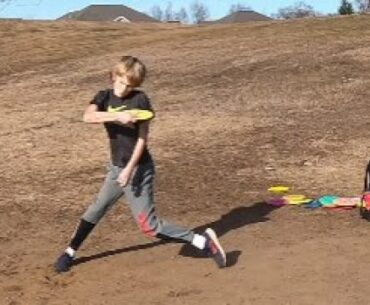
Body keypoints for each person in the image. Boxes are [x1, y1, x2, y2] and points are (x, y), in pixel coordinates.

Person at [55, 56, 227, 273]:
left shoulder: (140, 100)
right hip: (116, 168)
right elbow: (87, 117)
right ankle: (70, 251)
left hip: (138, 169)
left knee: (149, 227)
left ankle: (202, 241)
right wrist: (117, 118)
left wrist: (129, 170)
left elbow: (142, 139)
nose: (124, 89)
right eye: (121, 82)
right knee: (95, 209)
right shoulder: (104, 97)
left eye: (130, 85)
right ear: (113, 76)